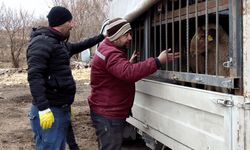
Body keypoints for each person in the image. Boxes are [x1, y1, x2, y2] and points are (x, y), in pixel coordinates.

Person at [88, 18, 180, 150]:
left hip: (106, 110)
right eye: (126, 35)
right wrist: (157, 61)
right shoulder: (111, 53)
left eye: (130, 34)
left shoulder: (106, 48)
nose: (130, 37)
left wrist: (127, 64)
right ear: (115, 37)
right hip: (108, 114)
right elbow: (129, 74)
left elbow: (117, 72)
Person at [26, 6, 105, 150]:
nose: (72, 25)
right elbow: (34, 76)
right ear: (60, 22)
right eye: (69, 21)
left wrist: (102, 37)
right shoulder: (42, 42)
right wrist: (43, 109)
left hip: (61, 109)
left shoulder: (59, 43)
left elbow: (81, 45)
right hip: (50, 111)